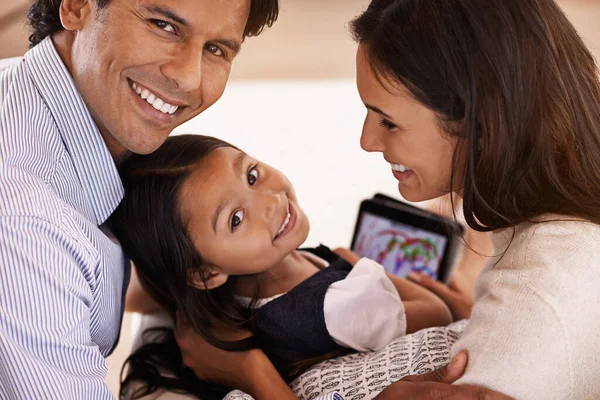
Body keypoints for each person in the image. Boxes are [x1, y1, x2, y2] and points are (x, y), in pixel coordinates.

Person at [0, 0, 277, 398]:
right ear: (77, 6)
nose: (188, 78)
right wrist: (251, 373)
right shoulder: (26, 223)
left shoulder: (29, 96)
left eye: (216, 49)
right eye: (163, 25)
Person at [350, 0, 600, 398]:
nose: (367, 141)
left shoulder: (533, 304)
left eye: (388, 122)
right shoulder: (566, 238)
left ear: (481, 122)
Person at [109, 134, 453, 399]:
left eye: (252, 175)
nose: (272, 201)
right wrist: (357, 262)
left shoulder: (221, 304)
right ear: (205, 274)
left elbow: (141, 291)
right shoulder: (340, 305)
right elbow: (437, 313)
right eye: (236, 219)